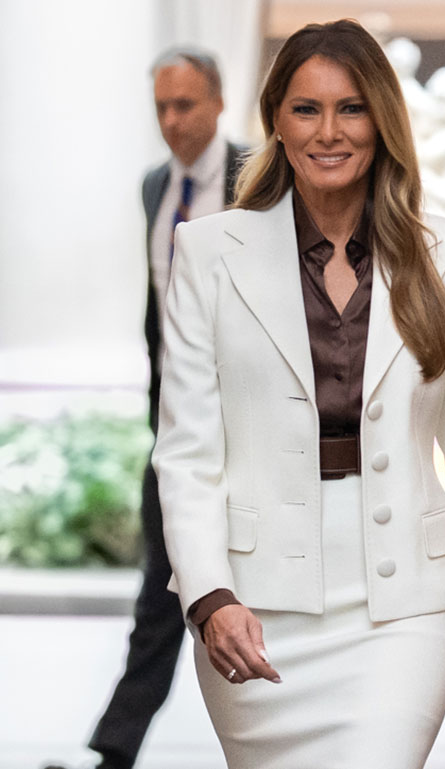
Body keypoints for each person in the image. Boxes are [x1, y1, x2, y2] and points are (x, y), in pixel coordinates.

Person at [153, 19, 445, 769]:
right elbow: (187, 452)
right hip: (254, 607)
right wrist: (209, 597)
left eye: (352, 108)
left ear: (382, 121)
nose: (329, 131)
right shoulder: (208, 254)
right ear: (275, 121)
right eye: (306, 109)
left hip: (405, 609)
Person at [44, 47, 243, 769]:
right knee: (161, 586)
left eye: (185, 104)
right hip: (176, 425)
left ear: (218, 102)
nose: (172, 120)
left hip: (251, 426)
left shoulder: (257, 179)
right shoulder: (155, 185)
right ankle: (114, 750)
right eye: (162, 106)